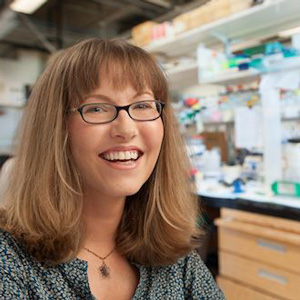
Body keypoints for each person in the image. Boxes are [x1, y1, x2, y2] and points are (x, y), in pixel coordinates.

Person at [0, 38, 225, 300]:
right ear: (56, 128)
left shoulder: (179, 263)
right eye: (97, 108)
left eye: (142, 105)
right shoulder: (10, 261)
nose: (127, 129)